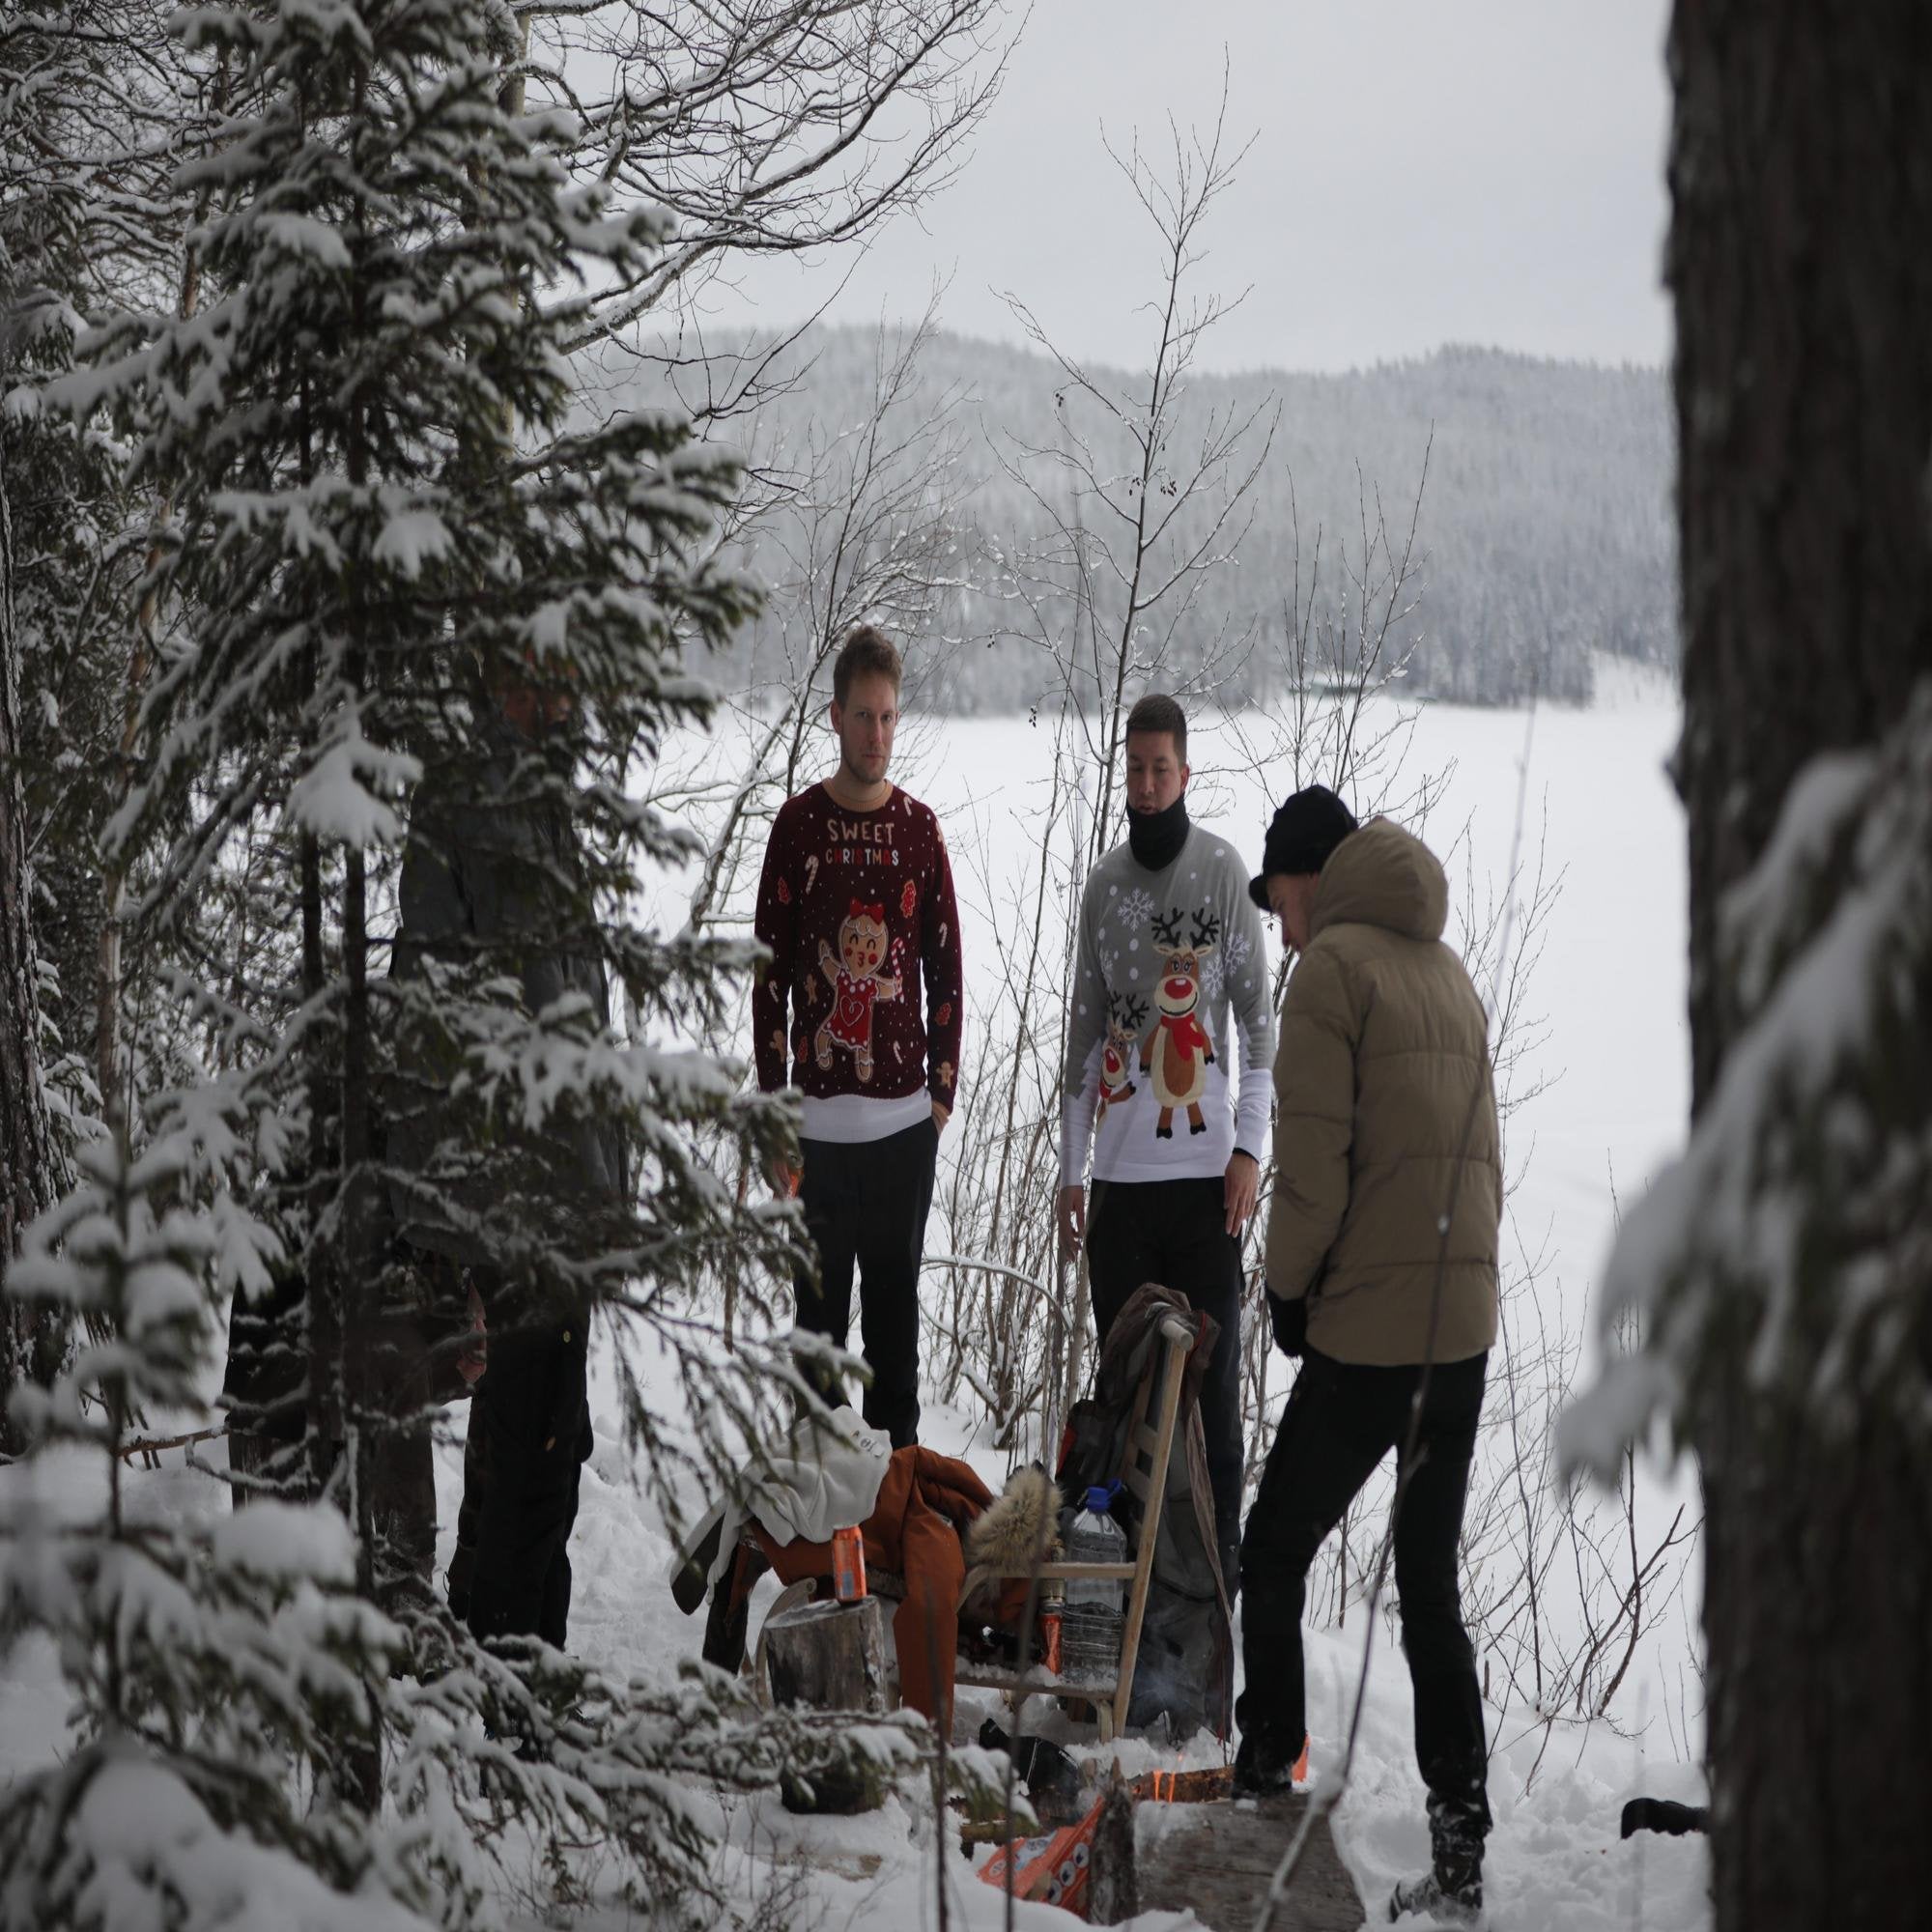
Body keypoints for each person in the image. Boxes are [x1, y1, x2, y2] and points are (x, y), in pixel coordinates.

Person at [1238, 785, 1501, 1926]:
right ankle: (1458, 1852)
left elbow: (1311, 1176)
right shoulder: (1444, 968)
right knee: (1430, 1589)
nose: (1274, 921)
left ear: (1309, 875)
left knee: (1274, 1544)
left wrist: (1287, 1294)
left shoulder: (1329, 974)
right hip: (1461, 1330)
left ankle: (1264, 1779)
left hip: (1371, 1336)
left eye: (1275, 896)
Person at [387, 668, 623, 1652]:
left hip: (566, 1188)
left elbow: (582, 1009)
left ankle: (517, 1671)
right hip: (511, 1192)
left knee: (538, 1447)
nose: (562, 694)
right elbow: (434, 1006)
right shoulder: (467, 799)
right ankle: (513, 1689)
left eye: (571, 678)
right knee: (534, 1451)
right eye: (541, 676)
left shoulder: (550, 804)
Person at [1055, 693, 1276, 1590]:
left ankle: (1214, 1592)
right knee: (1126, 1405)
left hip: (1204, 1186)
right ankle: (1128, 1599)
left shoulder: (1223, 874)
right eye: (1134, 769)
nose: (1147, 786)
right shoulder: (1103, 888)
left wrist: (1249, 1153)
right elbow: (1080, 1039)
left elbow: (1261, 1028)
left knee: (1212, 1408)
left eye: (1162, 769)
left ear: (1186, 774)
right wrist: (1072, 1173)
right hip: (1120, 1188)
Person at [753, 626, 963, 1448]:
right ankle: (817, 1539)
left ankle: (895, 1545)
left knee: (895, 1359)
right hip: (813, 1137)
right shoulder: (798, 827)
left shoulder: (919, 831)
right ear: (835, 717)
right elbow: (768, 979)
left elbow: (945, 968)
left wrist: (938, 1098)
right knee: (816, 1356)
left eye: (889, 718)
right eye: (863, 717)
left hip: (902, 1135)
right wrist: (774, 1118)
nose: (877, 735)